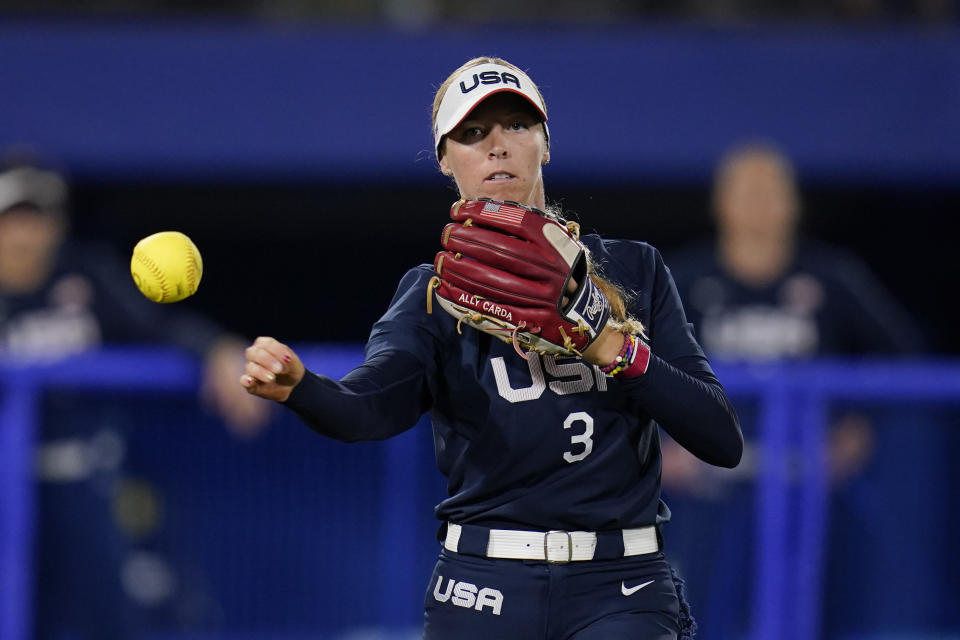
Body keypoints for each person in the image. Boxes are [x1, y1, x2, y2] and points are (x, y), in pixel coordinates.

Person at [242, 57, 743, 639]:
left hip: (622, 583)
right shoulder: (430, 295)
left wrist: (613, 346)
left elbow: (720, 438)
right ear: (445, 158)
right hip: (483, 581)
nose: (497, 146)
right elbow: (370, 405)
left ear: (545, 143)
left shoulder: (633, 267)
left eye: (516, 125)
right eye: (473, 133)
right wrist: (303, 390)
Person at [662, 142, 925, 638]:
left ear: (794, 203)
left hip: (807, 485)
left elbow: (905, 363)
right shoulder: (683, 280)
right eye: (746, 192)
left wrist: (858, 428)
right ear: (721, 203)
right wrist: (659, 445)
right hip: (708, 493)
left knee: (815, 611)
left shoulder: (832, 277)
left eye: (771, 192)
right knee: (700, 612)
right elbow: (626, 363)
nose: (759, 205)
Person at [0, 160, 271, 639]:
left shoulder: (84, 278)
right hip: (6, 487)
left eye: (37, 219)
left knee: (112, 620)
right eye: (12, 220)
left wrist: (217, 348)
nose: (25, 235)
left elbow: (161, 328)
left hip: (78, 483)